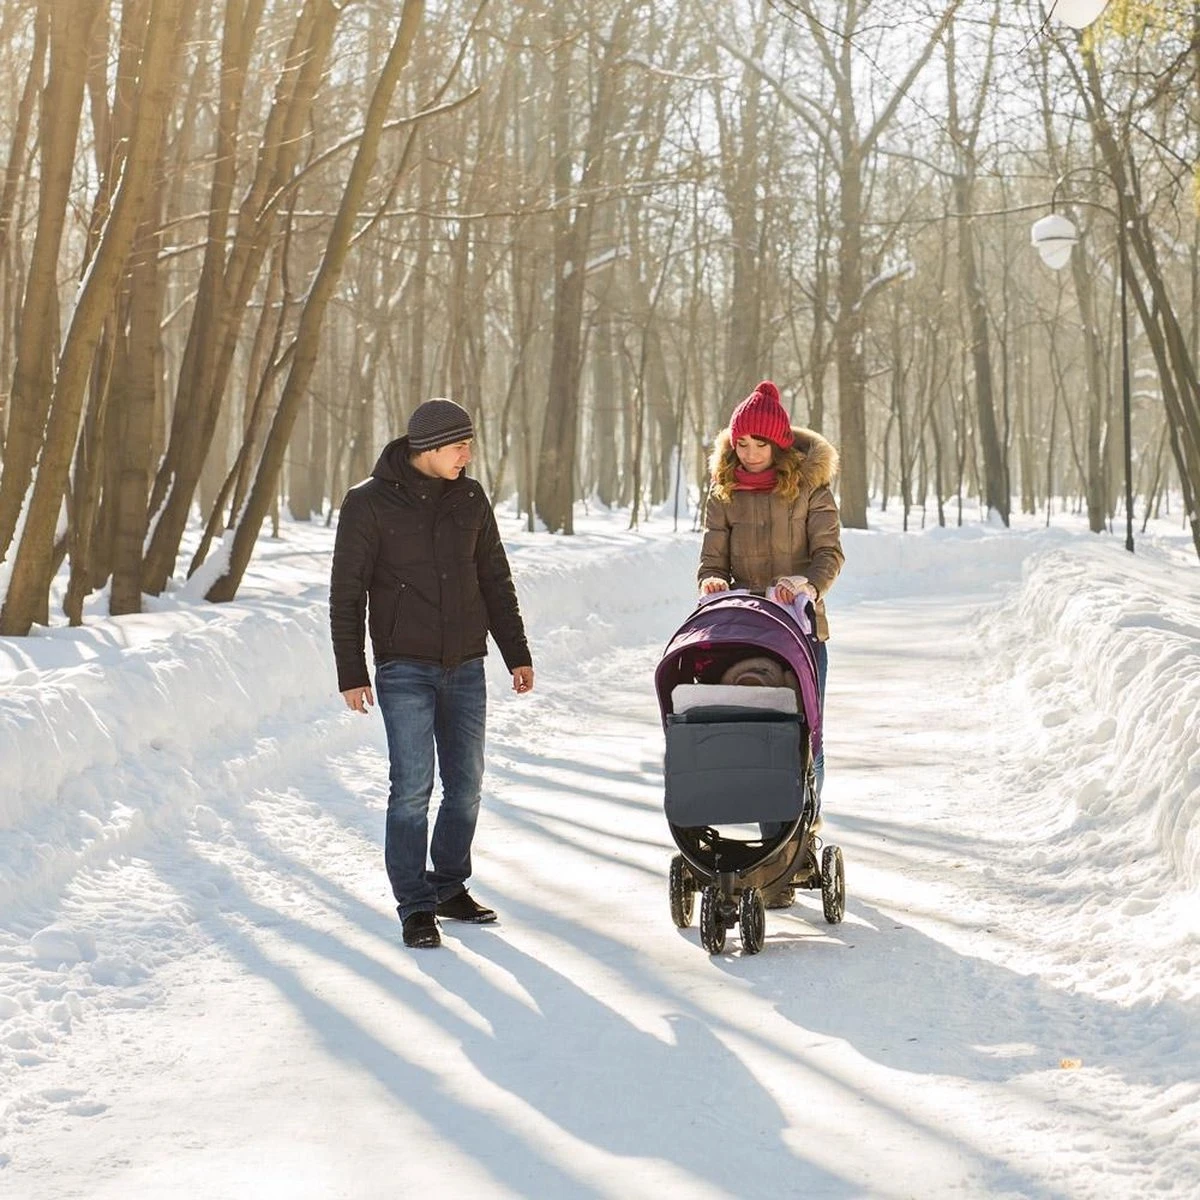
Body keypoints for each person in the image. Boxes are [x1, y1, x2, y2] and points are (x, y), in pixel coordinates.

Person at [330, 398, 534, 949]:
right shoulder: (368, 504)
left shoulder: (469, 497)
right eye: (458, 446)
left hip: (466, 663)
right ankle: (415, 905)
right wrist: (352, 670)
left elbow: (495, 576)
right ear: (428, 447)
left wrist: (516, 651)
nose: (468, 455)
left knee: (466, 785)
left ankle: (447, 886)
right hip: (403, 667)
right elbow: (346, 595)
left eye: (469, 444)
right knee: (412, 787)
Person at [697, 379, 844, 905]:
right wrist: (712, 582)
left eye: (760, 445)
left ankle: (796, 845)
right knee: (758, 736)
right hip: (743, 630)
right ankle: (767, 854)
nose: (750, 454)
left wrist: (809, 583)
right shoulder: (725, 492)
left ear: (779, 446)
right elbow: (712, 560)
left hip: (800, 629)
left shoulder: (809, 489)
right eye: (742, 444)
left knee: (802, 737)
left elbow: (829, 554)